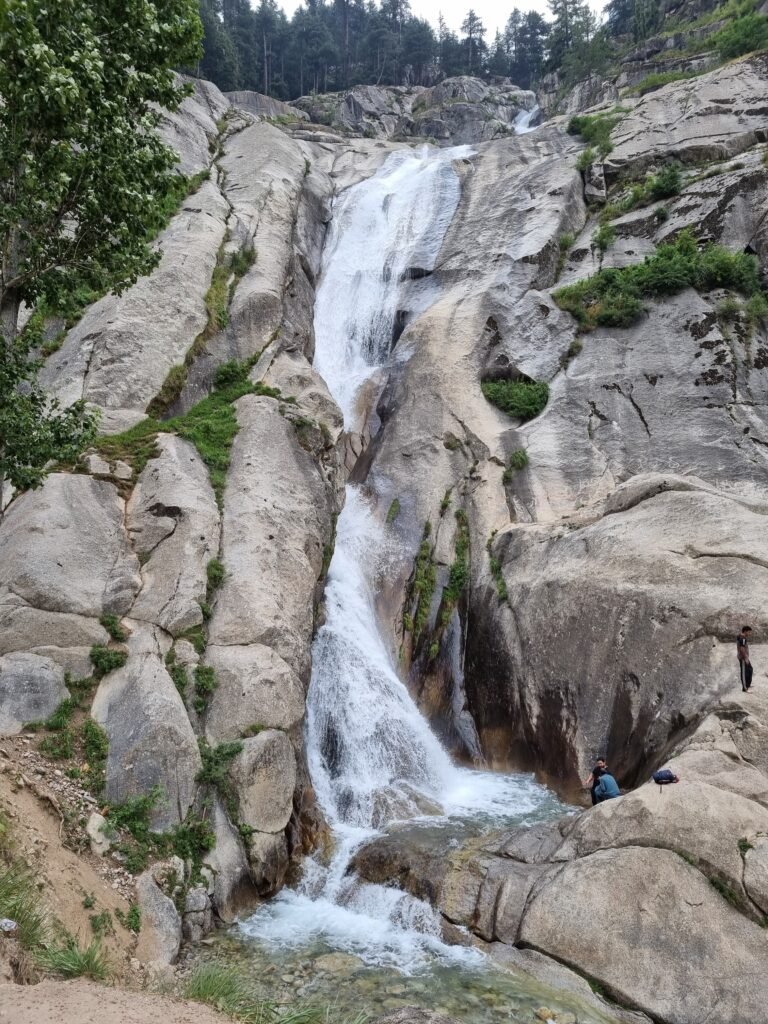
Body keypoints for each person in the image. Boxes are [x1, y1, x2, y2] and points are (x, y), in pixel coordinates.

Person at [737, 625, 753, 692]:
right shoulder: (742, 638)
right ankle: (745, 688)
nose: (750, 634)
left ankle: (748, 685)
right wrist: (745, 658)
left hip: (745, 657)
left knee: (750, 669)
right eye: (749, 632)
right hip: (743, 658)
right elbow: (741, 648)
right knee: (744, 673)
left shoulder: (742, 637)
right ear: (745, 631)